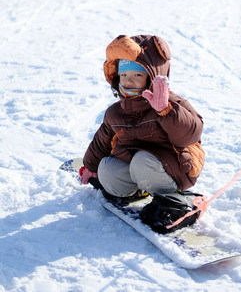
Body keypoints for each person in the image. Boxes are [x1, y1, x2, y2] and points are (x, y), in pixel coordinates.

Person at [80, 34, 205, 202]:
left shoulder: (172, 103)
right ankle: (135, 191)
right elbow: (101, 141)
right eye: (123, 75)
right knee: (108, 169)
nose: (128, 80)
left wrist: (165, 110)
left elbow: (190, 135)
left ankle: (170, 197)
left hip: (173, 168)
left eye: (137, 75)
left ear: (152, 76)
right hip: (137, 166)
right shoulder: (116, 112)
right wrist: (91, 166)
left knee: (142, 161)